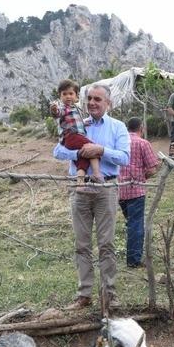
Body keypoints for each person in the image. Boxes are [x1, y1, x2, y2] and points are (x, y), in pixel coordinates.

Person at [53, 84, 130, 308]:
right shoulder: (77, 124)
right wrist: (78, 152)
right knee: (81, 243)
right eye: (89, 99)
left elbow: (125, 158)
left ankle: (109, 295)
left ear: (108, 103)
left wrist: (101, 150)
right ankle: (84, 295)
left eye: (98, 99)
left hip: (106, 189)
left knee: (106, 243)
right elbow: (57, 151)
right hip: (79, 189)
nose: (93, 103)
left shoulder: (118, 127)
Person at [119, 117, 159, 268]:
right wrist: (142, 176)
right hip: (136, 189)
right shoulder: (143, 143)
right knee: (136, 225)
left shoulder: (120, 142)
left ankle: (131, 253)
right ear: (141, 128)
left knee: (130, 223)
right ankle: (134, 260)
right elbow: (153, 168)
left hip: (119, 189)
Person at [50, 79, 102, 190]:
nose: (68, 96)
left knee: (82, 160)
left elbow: (76, 122)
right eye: (64, 94)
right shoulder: (64, 108)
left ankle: (80, 184)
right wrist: (54, 110)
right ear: (60, 96)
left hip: (75, 137)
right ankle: (97, 174)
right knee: (93, 148)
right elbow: (57, 113)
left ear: (76, 96)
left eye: (71, 93)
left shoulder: (76, 109)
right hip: (72, 136)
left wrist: (84, 123)